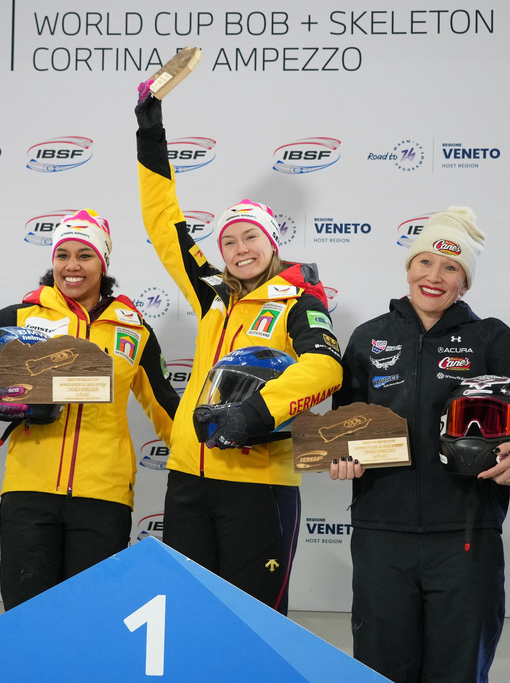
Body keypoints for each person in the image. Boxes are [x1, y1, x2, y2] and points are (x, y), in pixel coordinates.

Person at [331, 207, 510, 682]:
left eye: (451, 268)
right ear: (408, 269)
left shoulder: (490, 338)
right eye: (425, 263)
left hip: (466, 539)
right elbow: (346, 428)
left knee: (458, 674)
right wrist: (343, 459)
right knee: (380, 672)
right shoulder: (368, 338)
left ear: (465, 283)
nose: (435, 277)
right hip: (383, 537)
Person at [135, 87, 343, 615]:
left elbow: (325, 368)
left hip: (258, 485)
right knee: (189, 616)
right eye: (230, 241)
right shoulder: (210, 292)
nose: (240, 249)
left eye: (252, 238)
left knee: (253, 622)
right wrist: (150, 132)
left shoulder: (298, 299)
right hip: (189, 479)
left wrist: (254, 412)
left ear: (273, 243)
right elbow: (165, 226)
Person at [0, 209, 179, 609]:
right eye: (63, 255)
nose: (72, 266)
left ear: (104, 262)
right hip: (29, 492)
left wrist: (211, 457)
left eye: (85, 254)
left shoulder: (134, 330)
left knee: (92, 619)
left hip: (104, 496)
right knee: (26, 619)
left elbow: (167, 411)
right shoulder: (18, 317)